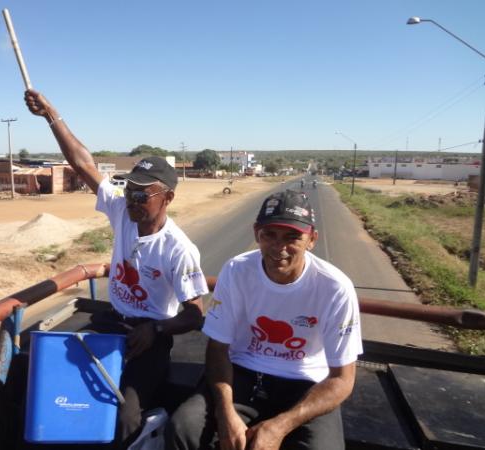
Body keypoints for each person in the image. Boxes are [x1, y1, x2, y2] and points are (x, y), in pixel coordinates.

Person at [24, 90, 209, 448]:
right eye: (129, 192)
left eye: (142, 196)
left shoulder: (179, 250)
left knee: (123, 415)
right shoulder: (123, 212)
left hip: (149, 339)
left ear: (167, 198)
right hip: (112, 323)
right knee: (45, 381)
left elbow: (195, 315)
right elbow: (83, 164)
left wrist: (156, 329)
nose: (132, 201)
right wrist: (51, 114)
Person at [165, 190, 362, 450]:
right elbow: (218, 348)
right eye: (270, 234)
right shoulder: (237, 271)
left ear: (311, 239)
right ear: (257, 233)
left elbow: (341, 380)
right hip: (242, 374)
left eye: (292, 237)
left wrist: (280, 425)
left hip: (306, 384)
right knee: (183, 427)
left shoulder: (335, 287)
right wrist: (225, 416)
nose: (279, 247)